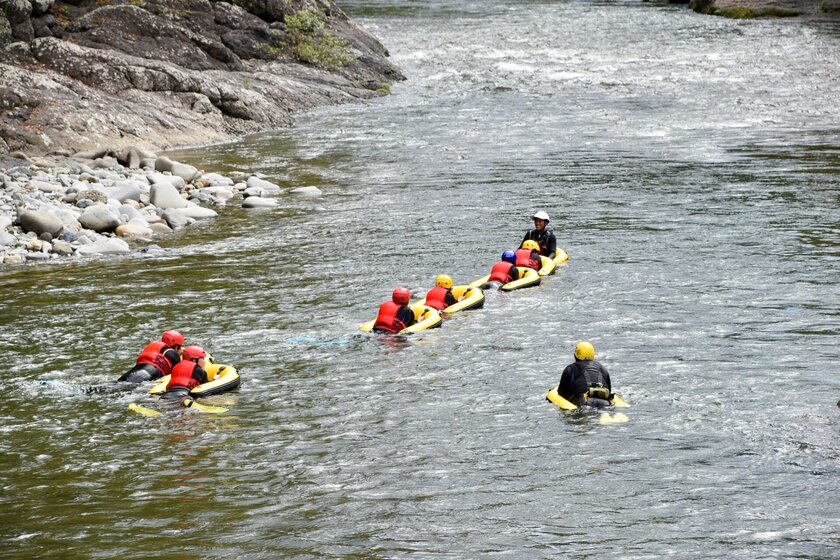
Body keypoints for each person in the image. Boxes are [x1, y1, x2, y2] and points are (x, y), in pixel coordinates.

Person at [557, 341, 613, 407]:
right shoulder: (603, 369)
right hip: (605, 402)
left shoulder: (570, 369)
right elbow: (609, 390)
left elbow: (561, 393)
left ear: (575, 356)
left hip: (584, 403)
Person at [118, 330, 184, 383]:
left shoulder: (154, 347)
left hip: (132, 373)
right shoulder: (174, 354)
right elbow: (179, 376)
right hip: (148, 377)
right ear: (176, 347)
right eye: (180, 347)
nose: (181, 351)